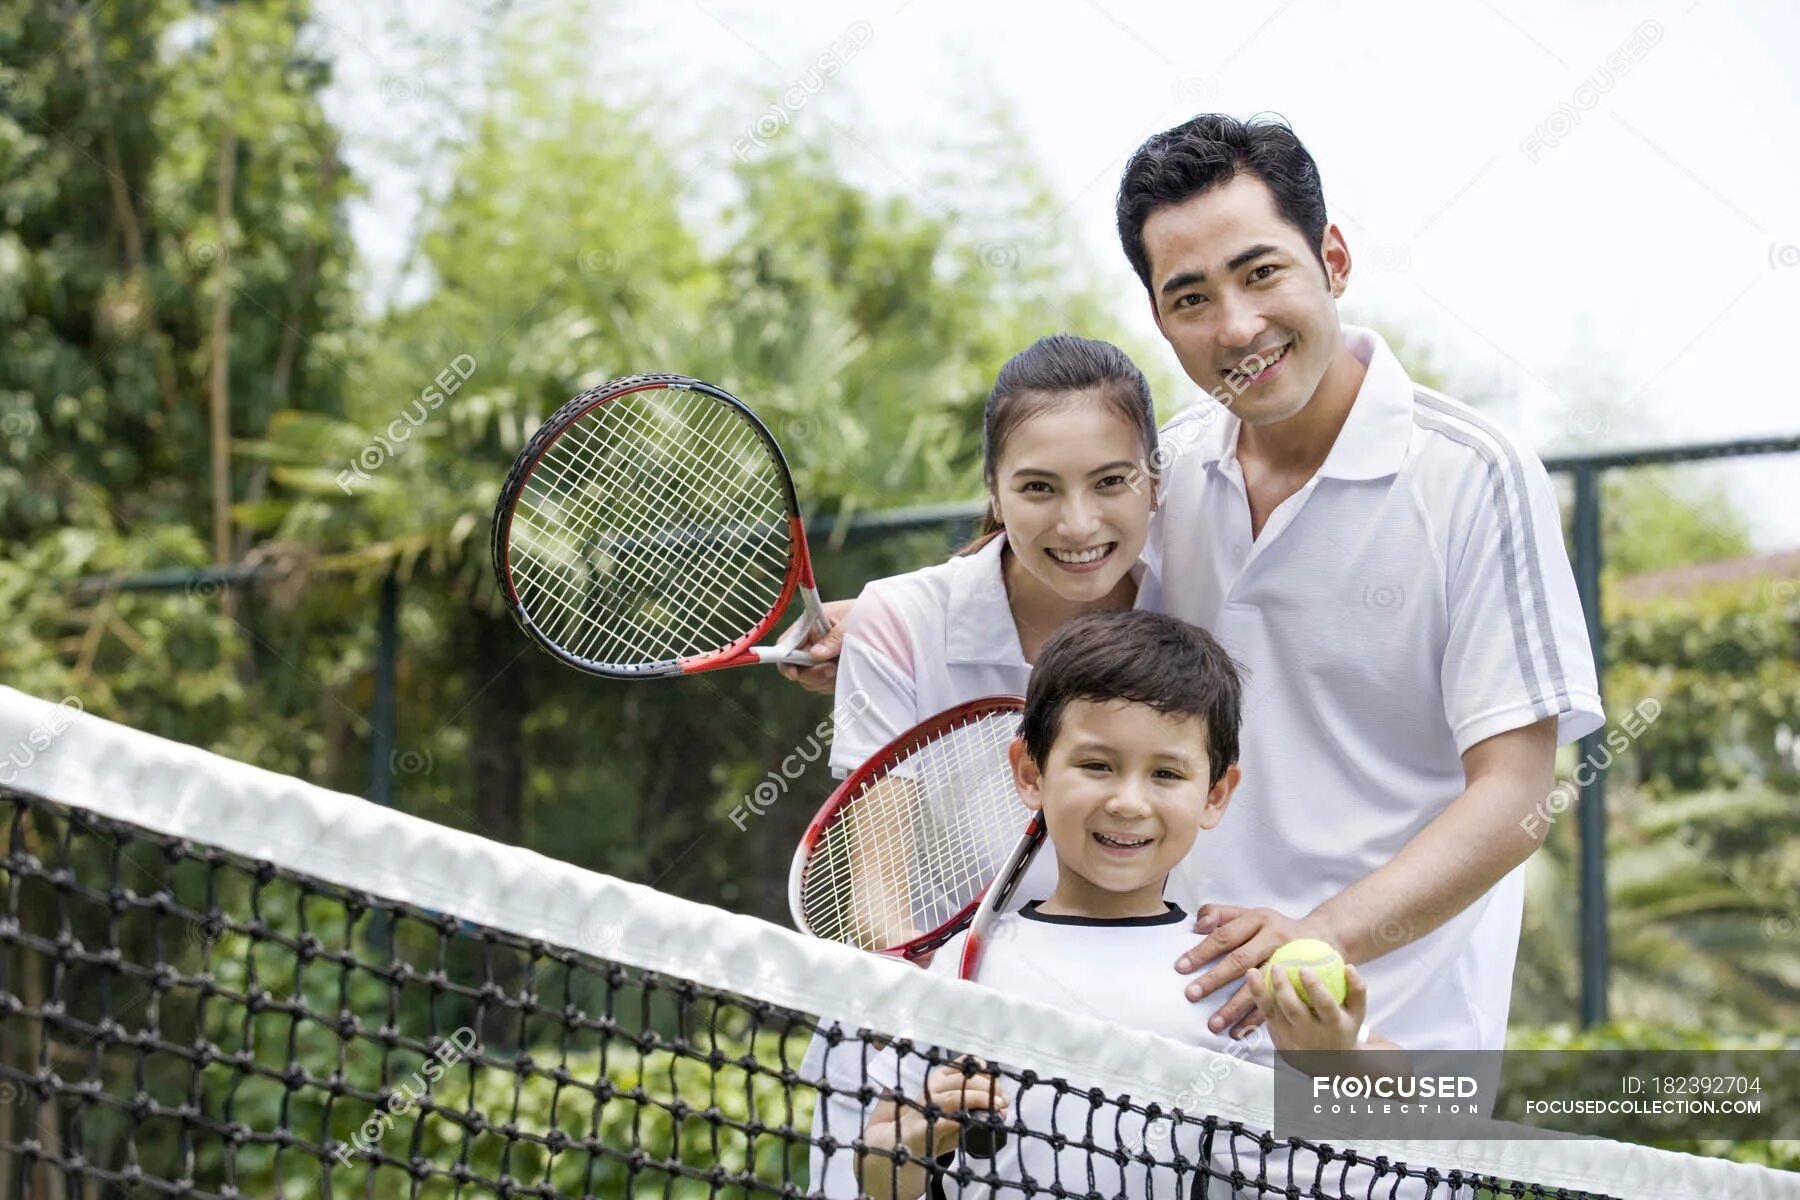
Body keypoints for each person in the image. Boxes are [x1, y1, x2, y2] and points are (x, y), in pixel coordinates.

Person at [787, 114, 1603, 1063]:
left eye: (1261, 273)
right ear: (1159, 316)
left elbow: (1516, 795)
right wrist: (888, 619)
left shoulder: (1474, 476)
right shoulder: (1167, 468)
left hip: (1391, 1050)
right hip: (1181, 1039)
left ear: (1334, 260)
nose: (1237, 326)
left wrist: (1318, 939)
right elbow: (1066, 570)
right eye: (1191, 297)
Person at [858, 610, 1397, 1200]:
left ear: (1215, 795)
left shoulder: (1240, 974)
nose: (1128, 802)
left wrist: (1333, 1066)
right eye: (1097, 766)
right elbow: (880, 1177)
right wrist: (913, 1140)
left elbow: (1419, 1126)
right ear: (1031, 773)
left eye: (1165, 773)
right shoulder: (966, 962)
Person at [802, 333, 1165, 1196]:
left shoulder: (1194, 609)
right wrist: (935, 1023)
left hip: (1113, 1034)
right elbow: (879, 896)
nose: (1078, 525)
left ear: (1155, 481)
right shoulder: (899, 620)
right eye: (1038, 488)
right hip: (907, 1035)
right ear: (994, 494)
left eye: (1111, 482)